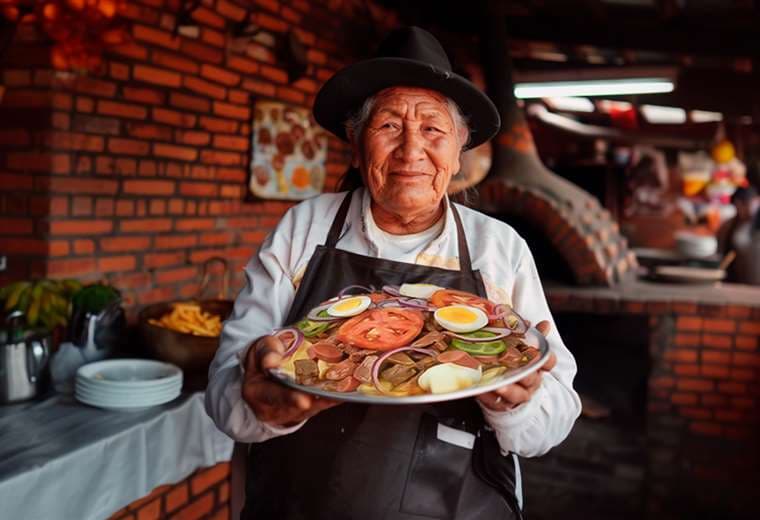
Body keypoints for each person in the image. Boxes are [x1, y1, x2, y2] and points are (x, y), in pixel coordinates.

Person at [206, 26, 581, 520]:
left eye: (432, 129)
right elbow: (225, 386)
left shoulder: (498, 248)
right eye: (388, 126)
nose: (410, 151)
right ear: (357, 147)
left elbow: (556, 412)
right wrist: (259, 405)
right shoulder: (304, 227)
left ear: (457, 153)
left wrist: (518, 404)